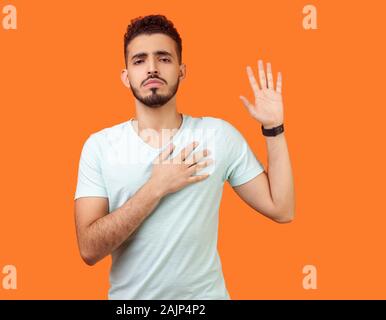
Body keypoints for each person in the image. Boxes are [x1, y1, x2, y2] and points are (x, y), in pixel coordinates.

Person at [74, 14, 295, 300]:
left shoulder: (218, 135)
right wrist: (156, 187)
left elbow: (282, 209)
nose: (152, 68)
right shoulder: (99, 146)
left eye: (164, 58)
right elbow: (89, 250)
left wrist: (273, 128)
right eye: (139, 60)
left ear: (182, 70)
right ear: (126, 76)